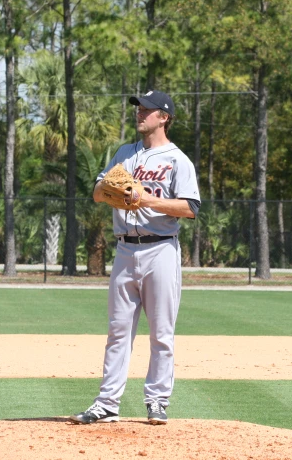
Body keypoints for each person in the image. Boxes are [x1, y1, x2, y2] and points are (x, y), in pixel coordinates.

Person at [70, 90, 200, 425]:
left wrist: (147, 200)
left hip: (161, 249)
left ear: (164, 117)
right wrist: (114, 193)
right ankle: (107, 404)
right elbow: (98, 193)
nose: (139, 113)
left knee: (161, 333)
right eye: (138, 109)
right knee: (117, 331)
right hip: (125, 250)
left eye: (147, 109)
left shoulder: (177, 160)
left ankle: (157, 401)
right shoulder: (124, 154)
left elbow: (190, 208)